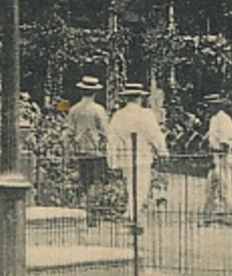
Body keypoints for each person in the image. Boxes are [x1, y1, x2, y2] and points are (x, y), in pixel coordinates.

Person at [108, 82, 168, 225]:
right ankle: (133, 215)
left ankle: (130, 212)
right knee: (142, 185)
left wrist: (113, 159)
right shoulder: (146, 114)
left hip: (126, 155)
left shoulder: (119, 115)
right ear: (139, 98)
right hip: (142, 155)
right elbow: (155, 134)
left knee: (131, 184)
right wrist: (162, 151)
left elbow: (112, 138)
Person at [68, 76, 109, 208]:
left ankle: (81, 205)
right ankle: (91, 208)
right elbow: (105, 131)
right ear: (95, 93)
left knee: (82, 179)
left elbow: (70, 131)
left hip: (79, 150)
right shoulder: (98, 109)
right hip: (95, 150)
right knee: (96, 181)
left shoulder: (74, 109)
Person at [204, 93, 232, 216]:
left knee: (224, 185)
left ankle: (228, 213)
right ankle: (211, 212)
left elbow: (225, 141)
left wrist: (217, 157)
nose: (208, 108)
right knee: (211, 185)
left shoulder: (223, 119)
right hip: (215, 155)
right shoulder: (214, 119)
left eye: (210, 106)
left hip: (222, 155)